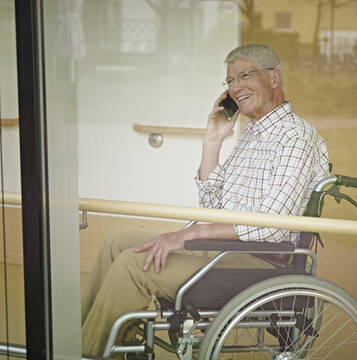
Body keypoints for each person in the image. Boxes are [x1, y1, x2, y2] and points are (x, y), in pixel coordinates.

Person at [81, 44, 329, 356]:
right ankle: (88, 344)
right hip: (227, 250)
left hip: (260, 262)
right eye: (229, 81)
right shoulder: (253, 136)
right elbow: (212, 206)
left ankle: (88, 354)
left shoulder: (294, 137)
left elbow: (272, 227)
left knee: (134, 265)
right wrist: (212, 141)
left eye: (244, 76)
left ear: (274, 77)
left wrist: (188, 234)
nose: (235, 87)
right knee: (117, 241)